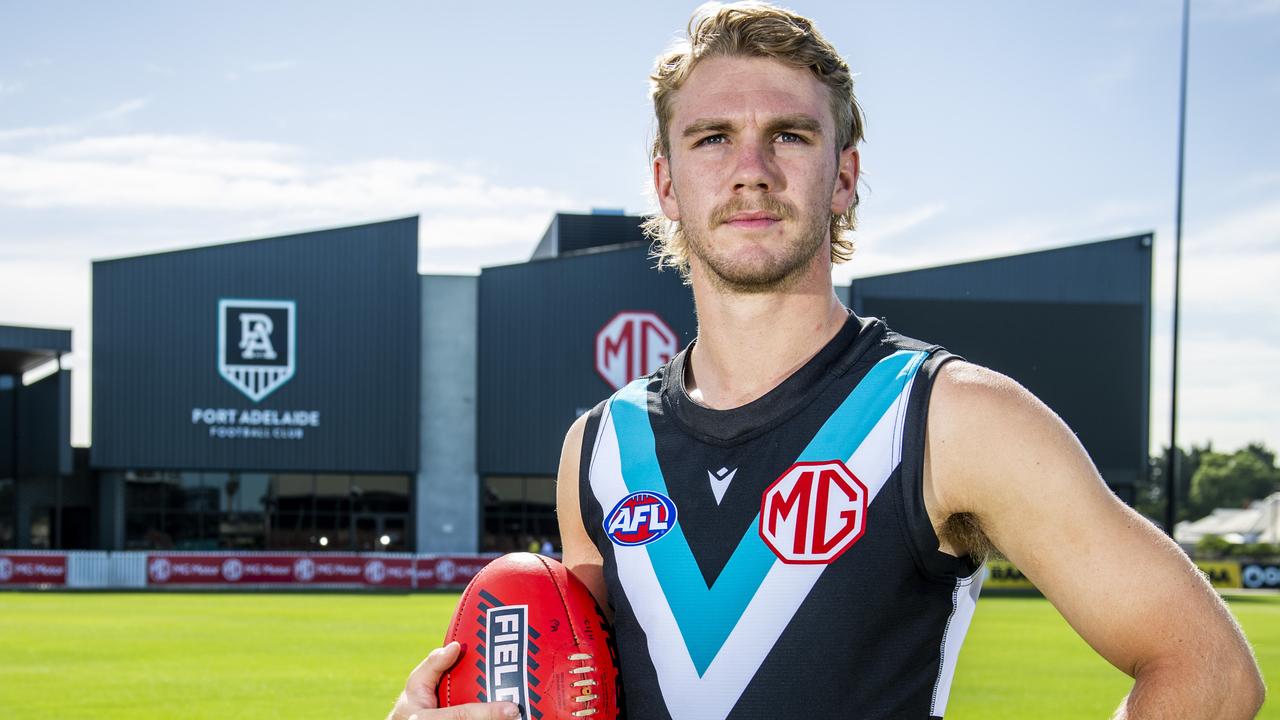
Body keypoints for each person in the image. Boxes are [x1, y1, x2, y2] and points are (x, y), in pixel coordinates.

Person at [389, 3, 1265, 719]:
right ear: (665, 183)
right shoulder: (600, 449)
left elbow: (1210, 673)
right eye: (712, 139)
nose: (752, 170)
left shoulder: (950, 416)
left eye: (791, 136)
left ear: (843, 176)